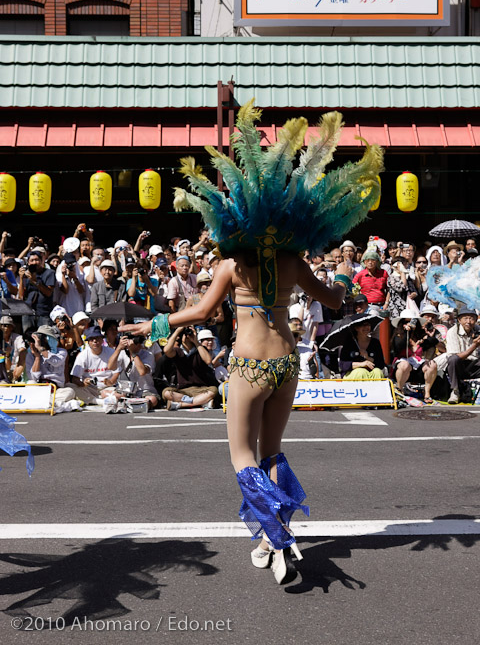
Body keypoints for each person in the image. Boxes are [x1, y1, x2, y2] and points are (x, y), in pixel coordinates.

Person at [120, 103, 383, 584]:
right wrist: (344, 277)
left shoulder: (231, 265)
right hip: (286, 366)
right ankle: (273, 530)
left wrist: (154, 326)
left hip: (247, 367)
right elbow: (337, 299)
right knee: (271, 453)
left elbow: (199, 313)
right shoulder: (293, 262)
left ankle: (277, 535)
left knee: (242, 457)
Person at [391, 309, 438, 403]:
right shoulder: (398, 336)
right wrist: (405, 333)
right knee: (405, 365)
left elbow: (434, 342)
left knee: (432, 364)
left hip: (417, 367)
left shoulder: (420, 336)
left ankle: (427, 392)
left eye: (413, 321)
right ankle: (400, 390)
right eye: (407, 321)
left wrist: (430, 337)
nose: (410, 324)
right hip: (403, 365)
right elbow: (397, 348)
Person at [444, 307, 480, 404]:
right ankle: (455, 391)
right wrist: (475, 345)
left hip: (475, 364)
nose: (469, 321)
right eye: (465, 318)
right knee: (453, 359)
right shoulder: (452, 332)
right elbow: (456, 356)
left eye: (472, 318)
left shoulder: (478, 330)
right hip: (459, 366)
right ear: (459, 320)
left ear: (476, 320)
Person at [339, 316, 385, 380]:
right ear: (356, 328)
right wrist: (362, 364)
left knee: (378, 372)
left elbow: (381, 364)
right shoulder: (349, 343)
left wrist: (368, 358)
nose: (366, 327)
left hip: (370, 372)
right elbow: (343, 365)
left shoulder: (375, 342)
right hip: (353, 373)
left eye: (368, 324)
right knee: (361, 372)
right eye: (363, 325)